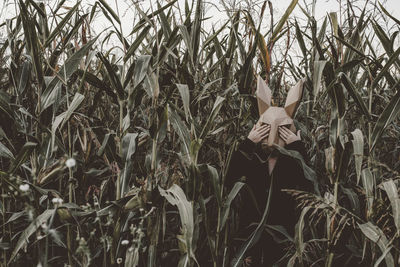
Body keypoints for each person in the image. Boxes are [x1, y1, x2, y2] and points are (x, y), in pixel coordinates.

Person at [226, 76, 312, 266]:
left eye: (280, 129)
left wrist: (298, 148)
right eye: (266, 128)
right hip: (250, 235)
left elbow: (310, 185)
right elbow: (229, 179)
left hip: (283, 235)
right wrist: (248, 144)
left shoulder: (291, 162)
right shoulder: (253, 159)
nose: (272, 136)